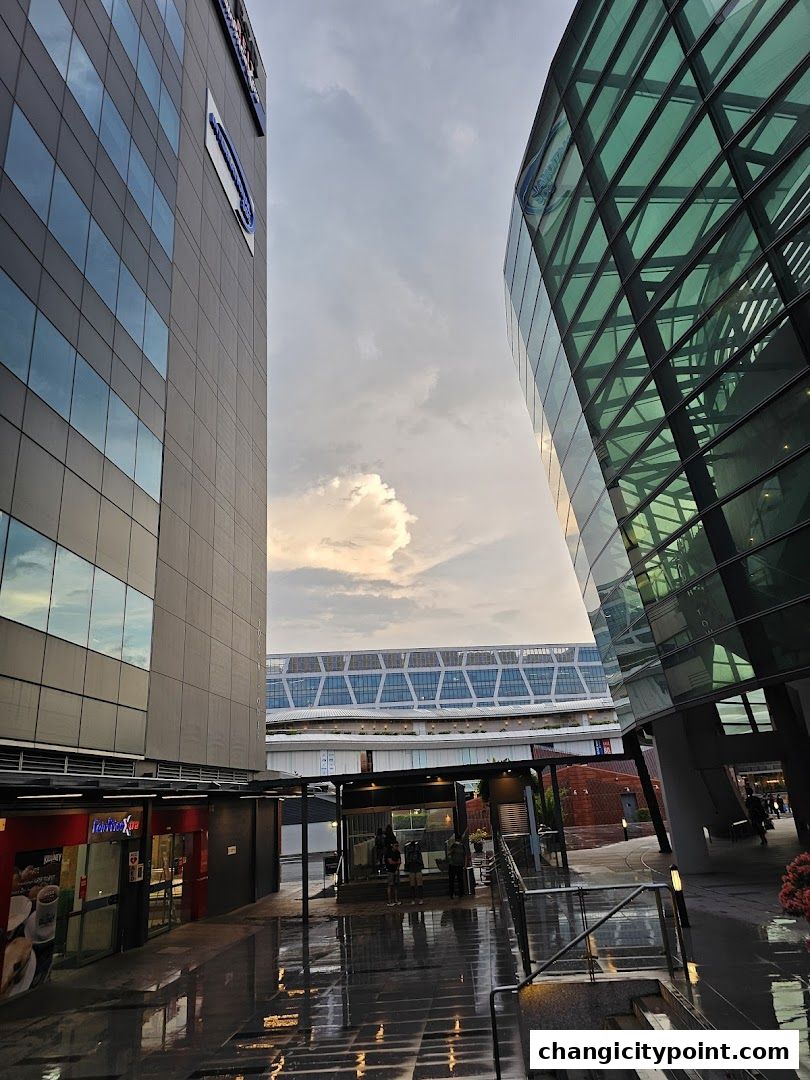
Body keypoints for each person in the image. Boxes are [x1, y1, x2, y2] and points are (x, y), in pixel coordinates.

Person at [446, 831, 467, 899]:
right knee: (460, 880)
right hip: (460, 865)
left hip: (452, 865)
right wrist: (465, 865)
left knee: (451, 880)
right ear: (460, 839)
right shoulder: (462, 846)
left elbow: (449, 854)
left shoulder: (453, 846)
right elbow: (465, 856)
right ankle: (461, 894)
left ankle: (451, 894)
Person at [404, 839, 424, 905]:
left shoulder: (409, 850)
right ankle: (419, 899)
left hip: (413, 868)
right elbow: (420, 857)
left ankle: (415, 899)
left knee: (414, 885)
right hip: (416, 868)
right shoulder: (417, 849)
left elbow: (407, 859)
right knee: (417, 885)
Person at [385, 839, 402, 906]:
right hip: (390, 871)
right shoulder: (389, 852)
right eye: (396, 846)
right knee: (390, 885)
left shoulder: (397, 853)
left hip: (395, 870)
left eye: (397, 846)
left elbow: (399, 862)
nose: (397, 847)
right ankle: (389, 901)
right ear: (392, 845)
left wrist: (396, 869)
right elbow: (390, 862)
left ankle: (396, 899)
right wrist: (396, 863)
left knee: (396, 885)